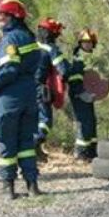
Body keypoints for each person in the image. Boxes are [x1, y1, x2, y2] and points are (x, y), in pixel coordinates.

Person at [0, 0, 43, 199]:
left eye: (3, 16)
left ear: (14, 16)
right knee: (26, 144)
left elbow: (9, 70)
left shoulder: (9, 40)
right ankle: (32, 186)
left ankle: (8, 188)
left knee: (6, 143)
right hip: (30, 96)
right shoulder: (30, 37)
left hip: (10, 99)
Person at [34, 18, 71, 162]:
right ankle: (35, 144)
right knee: (45, 120)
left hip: (21, 89)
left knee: (30, 120)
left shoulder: (29, 45)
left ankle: (35, 151)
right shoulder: (51, 49)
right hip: (38, 88)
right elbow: (63, 70)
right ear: (52, 34)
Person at [67, 28, 98, 161]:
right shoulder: (78, 57)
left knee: (91, 121)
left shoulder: (90, 57)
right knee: (84, 122)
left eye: (90, 42)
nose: (87, 44)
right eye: (85, 42)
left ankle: (91, 151)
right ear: (80, 43)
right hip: (78, 95)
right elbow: (74, 78)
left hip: (87, 95)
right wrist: (81, 93)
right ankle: (80, 152)